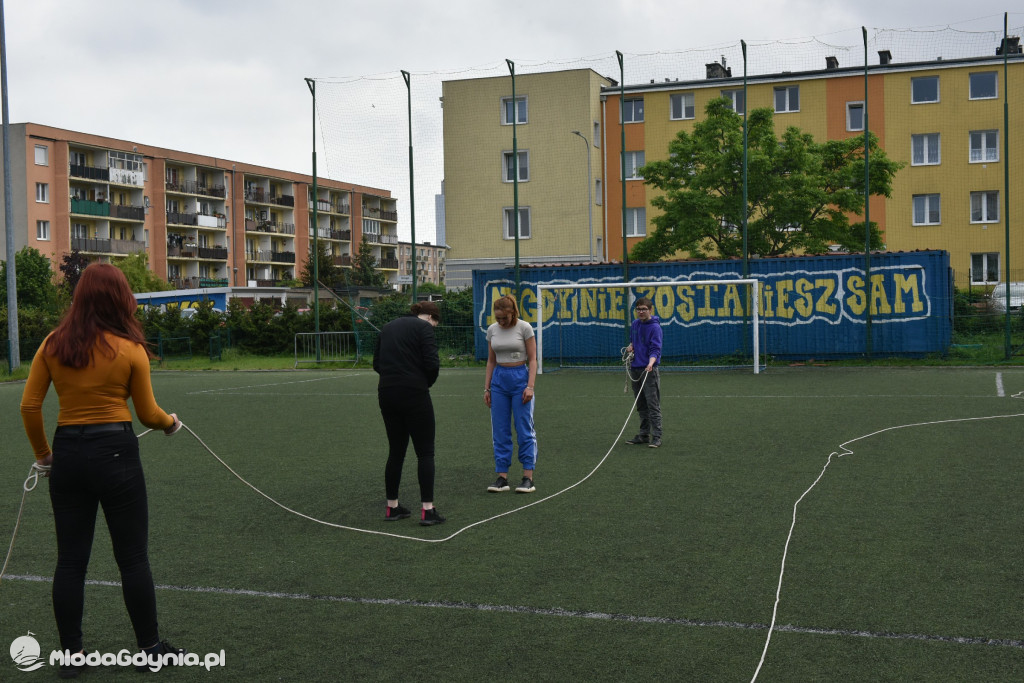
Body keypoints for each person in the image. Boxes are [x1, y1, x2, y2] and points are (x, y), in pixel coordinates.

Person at [19, 263, 186, 678]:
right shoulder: (130, 349)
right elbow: (147, 414)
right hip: (117, 454)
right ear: (120, 298)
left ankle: (72, 658)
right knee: (132, 559)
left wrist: (44, 455)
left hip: (68, 454)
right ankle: (150, 650)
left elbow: (29, 406)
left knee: (70, 562)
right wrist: (171, 423)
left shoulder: (53, 344)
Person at [373, 301, 445, 526]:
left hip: (386, 392)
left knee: (396, 452)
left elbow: (376, 363)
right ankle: (427, 510)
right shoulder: (425, 329)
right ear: (432, 318)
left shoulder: (387, 327)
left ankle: (392, 507)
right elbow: (432, 364)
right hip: (414, 392)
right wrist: (425, 383)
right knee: (425, 453)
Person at [484, 295, 538, 493]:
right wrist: (487, 388)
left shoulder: (524, 328)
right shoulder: (492, 330)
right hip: (499, 380)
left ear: (512, 313)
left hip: (520, 379)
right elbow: (490, 361)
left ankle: (527, 477)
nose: (501, 322)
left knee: (524, 428)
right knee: (500, 430)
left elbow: (533, 359)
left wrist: (530, 386)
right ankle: (502, 477)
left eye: (504, 318)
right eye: (498, 318)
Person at [625, 297, 663, 448]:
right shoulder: (635, 324)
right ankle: (643, 434)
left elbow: (656, 349)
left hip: (649, 370)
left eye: (644, 309)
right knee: (640, 404)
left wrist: (651, 363)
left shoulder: (655, 328)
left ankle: (657, 436)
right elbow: (633, 341)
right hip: (635, 369)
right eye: (638, 309)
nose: (641, 312)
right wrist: (630, 347)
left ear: (650, 310)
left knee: (653, 404)